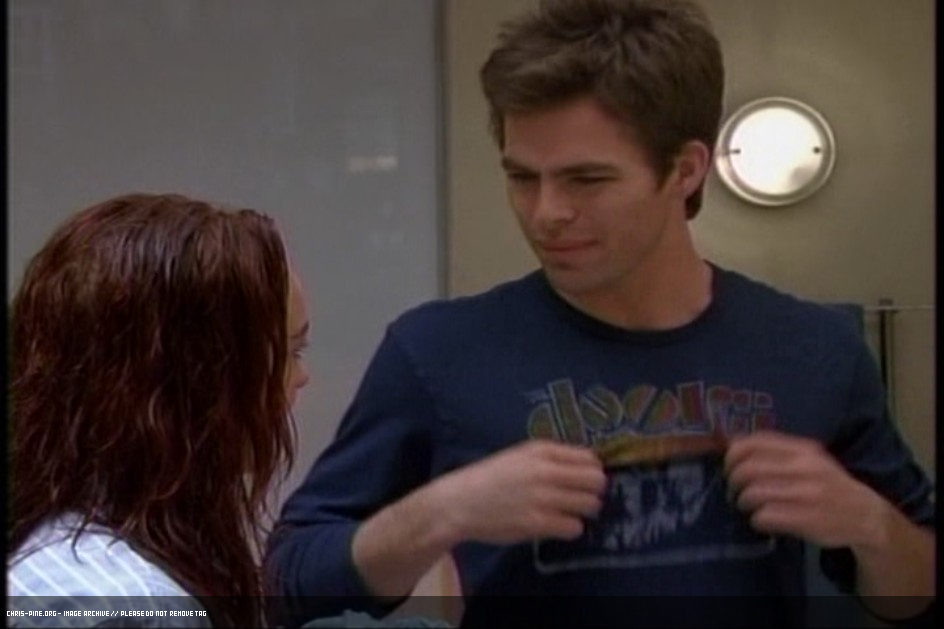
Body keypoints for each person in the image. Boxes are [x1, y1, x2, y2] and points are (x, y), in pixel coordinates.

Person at [265, 1, 935, 627]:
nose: (546, 212)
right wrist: (440, 512)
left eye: (587, 179)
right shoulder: (437, 351)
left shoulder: (815, 348)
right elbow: (285, 580)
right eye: (522, 177)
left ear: (686, 169)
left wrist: (869, 525)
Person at [8, 193, 311, 628]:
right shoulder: (124, 605)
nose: (303, 377)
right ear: (203, 378)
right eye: (291, 351)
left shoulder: (66, 554)